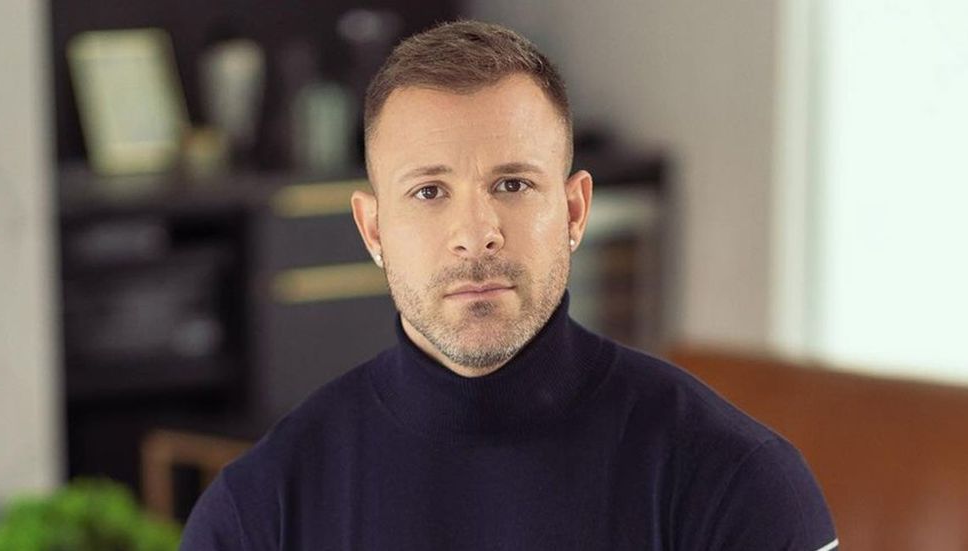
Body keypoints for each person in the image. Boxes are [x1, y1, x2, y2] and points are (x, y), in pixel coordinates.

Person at [180, 20, 838, 550]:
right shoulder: (256, 514)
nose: (476, 233)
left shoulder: (739, 485)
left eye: (513, 184)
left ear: (574, 211)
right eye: (429, 191)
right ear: (373, 229)